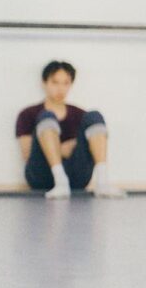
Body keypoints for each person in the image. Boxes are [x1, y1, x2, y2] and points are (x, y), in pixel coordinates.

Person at [14, 61, 125, 199]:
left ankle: (103, 183)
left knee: (94, 116)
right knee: (46, 116)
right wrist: (61, 150)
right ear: (44, 83)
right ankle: (60, 180)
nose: (60, 89)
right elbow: (27, 154)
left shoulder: (81, 115)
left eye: (65, 83)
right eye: (55, 82)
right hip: (41, 176)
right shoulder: (28, 114)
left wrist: (75, 148)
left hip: (76, 177)